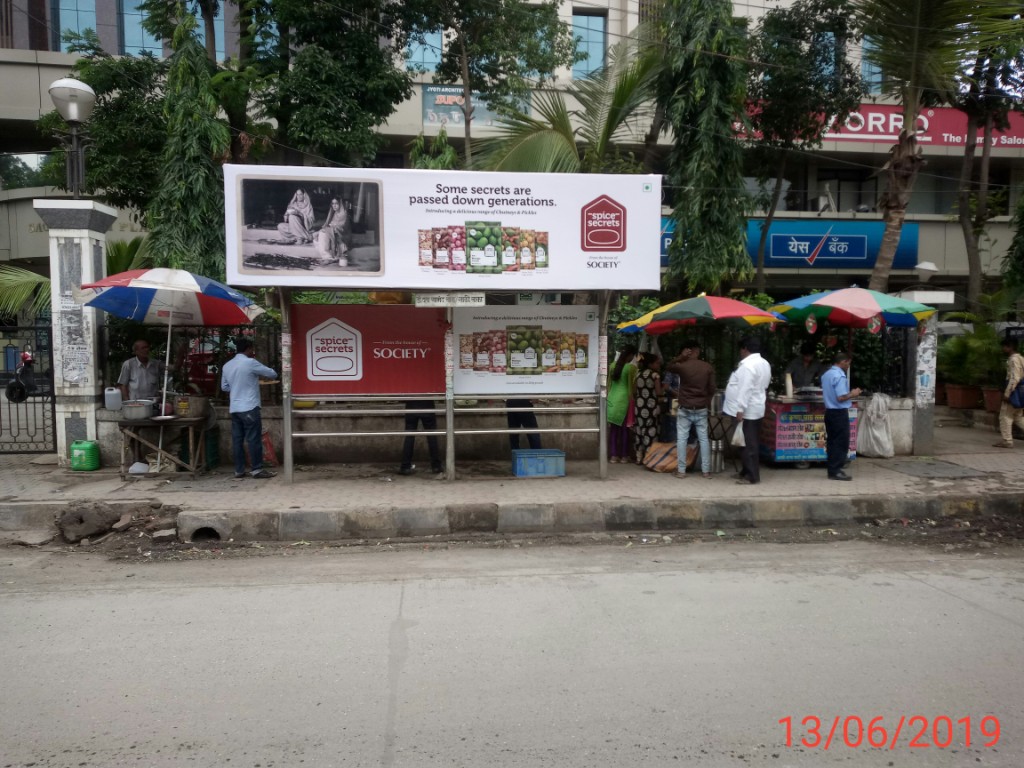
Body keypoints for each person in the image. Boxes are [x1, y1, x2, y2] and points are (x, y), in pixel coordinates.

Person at [221, 338, 278, 479]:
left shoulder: (227, 365)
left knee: (237, 440)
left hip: (235, 408)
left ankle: (239, 470)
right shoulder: (250, 363)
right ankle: (257, 469)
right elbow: (272, 374)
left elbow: (224, 387)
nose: (253, 352)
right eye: (252, 349)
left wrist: (237, 386)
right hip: (250, 406)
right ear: (248, 349)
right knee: (253, 439)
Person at [723, 337, 771, 485]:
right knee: (747, 441)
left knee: (747, 443)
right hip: (755, 407)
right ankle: (745, 470)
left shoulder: (748, 366)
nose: (740, 352)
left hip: (746, 410)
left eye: (741, 349)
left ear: (745, 349)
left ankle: (751, 476)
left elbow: (746, 388)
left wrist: (740, 409)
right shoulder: (764, 363)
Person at [666, 339, 716, 479]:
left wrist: (680, 358)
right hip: (701, 407)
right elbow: (712, 388)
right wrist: (706, 401)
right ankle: (706, 471)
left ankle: (681, 471)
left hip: (685, 407)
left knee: (682, 439)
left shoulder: (683, 366)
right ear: (698, 351)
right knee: (704, 439)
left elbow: (669, 367)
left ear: (689, 352)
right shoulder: (707, 367)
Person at [821, 352, 862, 480]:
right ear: (843, 361)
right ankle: (836, 470)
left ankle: (832, 469)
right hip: (839, 413)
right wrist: (853, 394)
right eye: (848, 363)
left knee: (832, 442)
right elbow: (841, 397)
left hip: (829, 412)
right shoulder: (839, 376)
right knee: (841, 442)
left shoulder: (826, 375)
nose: (848, 366)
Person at [606, 344, 638, 463]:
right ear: (630, 355)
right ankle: (624, 456)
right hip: (624, 400)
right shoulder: (631, 368)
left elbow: (608, 385)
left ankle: (614, 456)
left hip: (612, 400)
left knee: (614, 430)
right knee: (625, 430)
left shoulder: (612, 366)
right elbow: (633, 387)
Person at [632, 352, 663, 464]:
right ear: (651, 364)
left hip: (639, 407)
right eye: (657, 363)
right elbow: (659, 392)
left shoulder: (638, 374)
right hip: (652, 408)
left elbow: (634, 391)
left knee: (639, 430)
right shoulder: (655, 376)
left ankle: (639, 456)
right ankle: (649, 458)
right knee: (651, 431)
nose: (659, 365)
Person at [994, 337, 1024, 448]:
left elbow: (1014, 378)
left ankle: (1007, 440)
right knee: (1018, 417)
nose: (1003, 349)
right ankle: (1007, 440)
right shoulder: (1021, 358)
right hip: (1021, 392)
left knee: (1005, 416)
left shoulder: (1013, 360)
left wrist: (1007, 394)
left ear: (1010, 347)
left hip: (1014, 391)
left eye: (1004, 347)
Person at [399, 400, 443, 475]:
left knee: (409, 436)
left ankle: (405, 467)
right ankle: (436, 466)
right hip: (428, 404)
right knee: (432, 436)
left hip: (411, 404)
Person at [314, 197, 352, 267]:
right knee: (320, 234)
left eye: (336, 203)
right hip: (333, 233)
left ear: (341, 204)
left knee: (322, 233)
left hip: (342, 237)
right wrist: (327, 229)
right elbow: (329, 224)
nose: (334, 205)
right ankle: (328, 257)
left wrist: (328, 229)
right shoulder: (333, 213)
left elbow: (342, 229)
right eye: (333, 204)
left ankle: (328, 257)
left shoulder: (344, 214)